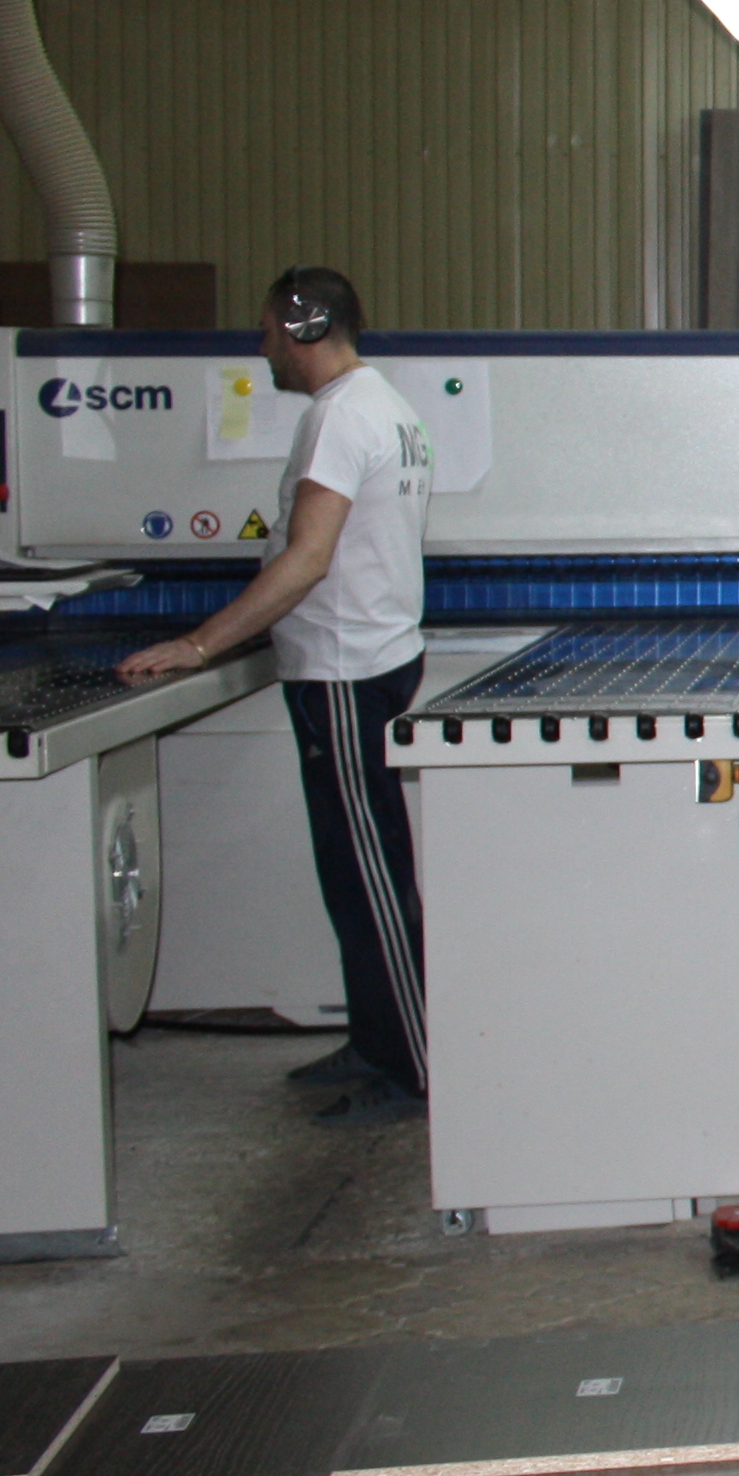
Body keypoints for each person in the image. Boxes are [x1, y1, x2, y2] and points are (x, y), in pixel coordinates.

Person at [123, 266, 433, 1129]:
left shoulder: (341, 418)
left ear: (304, 326)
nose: (260, 348)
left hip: (346, 674)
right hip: (356, 665)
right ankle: (376, 1040)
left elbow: (306, 559)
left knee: (371, 879)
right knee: (350, 874)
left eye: (266, 330)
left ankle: (414, 1070)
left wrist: (199, 645)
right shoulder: (382, 408)